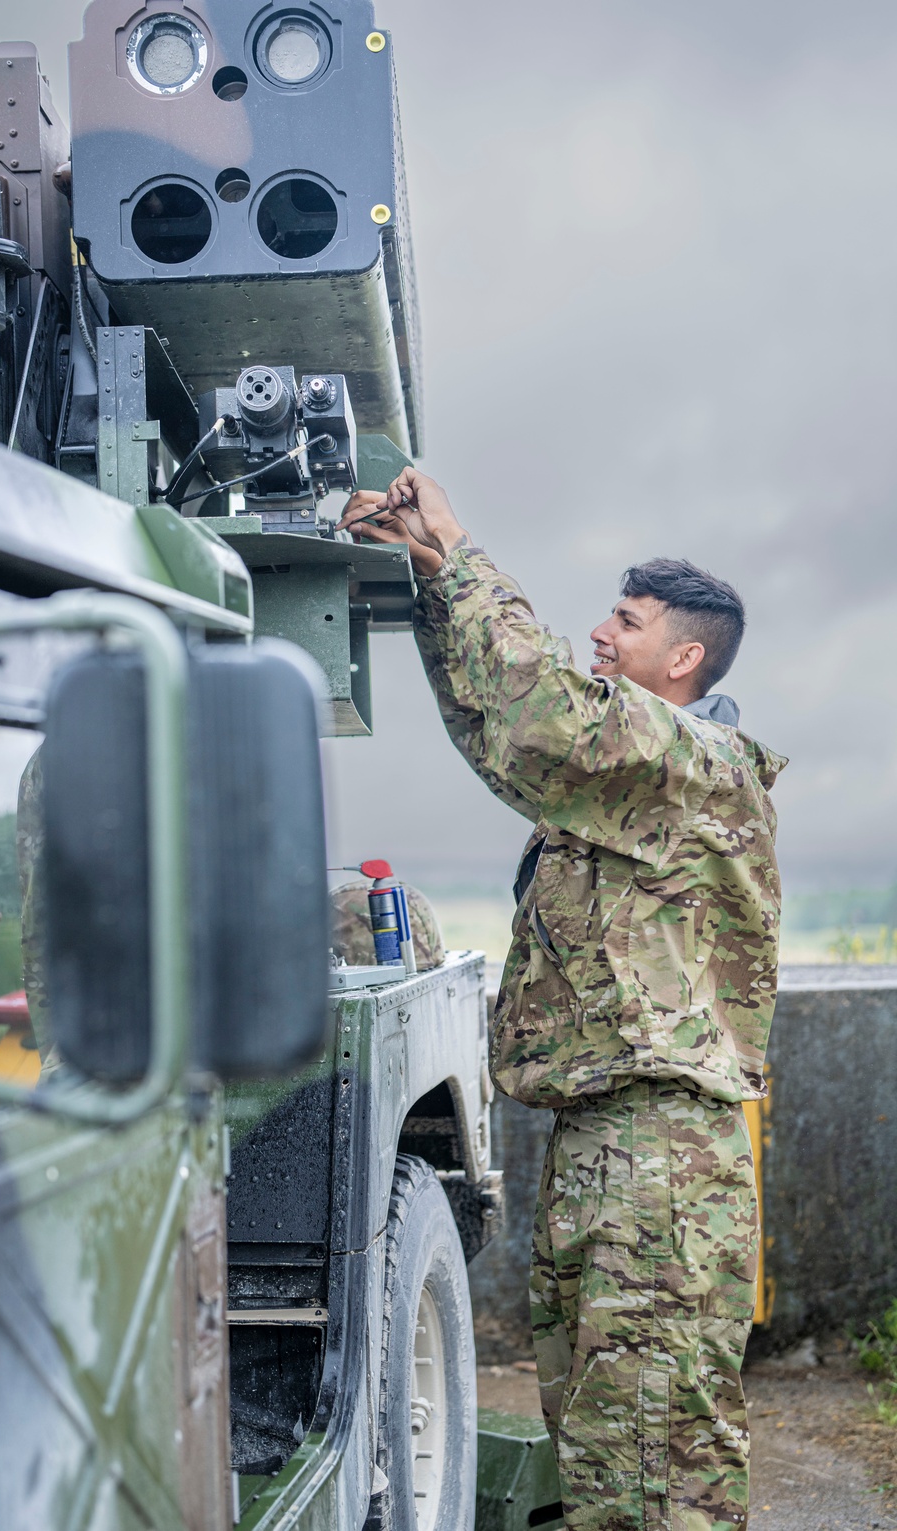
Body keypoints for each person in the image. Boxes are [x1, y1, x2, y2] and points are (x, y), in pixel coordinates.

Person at [339, 469, 786, 1531]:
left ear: (683, 658)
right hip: (612, 1146)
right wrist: (435, 577)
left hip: (656, 1156)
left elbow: (541, 720)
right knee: (602, 1446)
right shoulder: (630, 782)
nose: (598, 632)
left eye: (623, 623)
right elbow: (512, 740)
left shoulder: (695, 766)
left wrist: (463, 551)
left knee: (649, 1464)